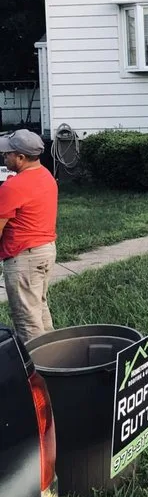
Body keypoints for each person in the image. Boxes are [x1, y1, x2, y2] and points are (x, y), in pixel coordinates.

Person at [0, 130, 58, 342]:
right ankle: (55, 354)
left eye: (7, 153)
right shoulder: (46, 176)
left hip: (24, 258)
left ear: (21, 157)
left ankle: (37, 362)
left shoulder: (13, 186)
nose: (4, 156)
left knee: (28, 324)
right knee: (39, 311)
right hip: (45, 251)